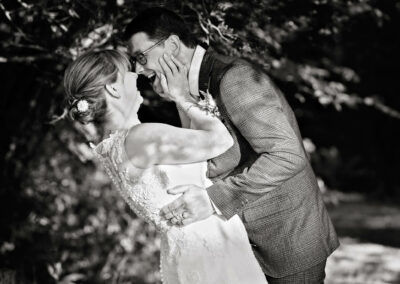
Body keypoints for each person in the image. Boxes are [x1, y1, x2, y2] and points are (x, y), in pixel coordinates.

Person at [124, 7, 340, 283]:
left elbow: (286, 156)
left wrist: (212, 200)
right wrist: (181, 101)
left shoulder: (233, 79)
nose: (139, 70)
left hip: (287, 243)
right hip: (242, 248)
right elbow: (208, 158)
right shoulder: (187, 88)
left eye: (141, 57)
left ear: (173, 45)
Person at [63, 49, 268, 284]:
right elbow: (220, 140)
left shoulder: (114, 146)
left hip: (193, 252)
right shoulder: (141, 137)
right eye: (129, 72)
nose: (137, 76)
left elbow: (191, 147)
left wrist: (179, 101)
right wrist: (181, 95)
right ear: (113, 88)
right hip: (212, 252)